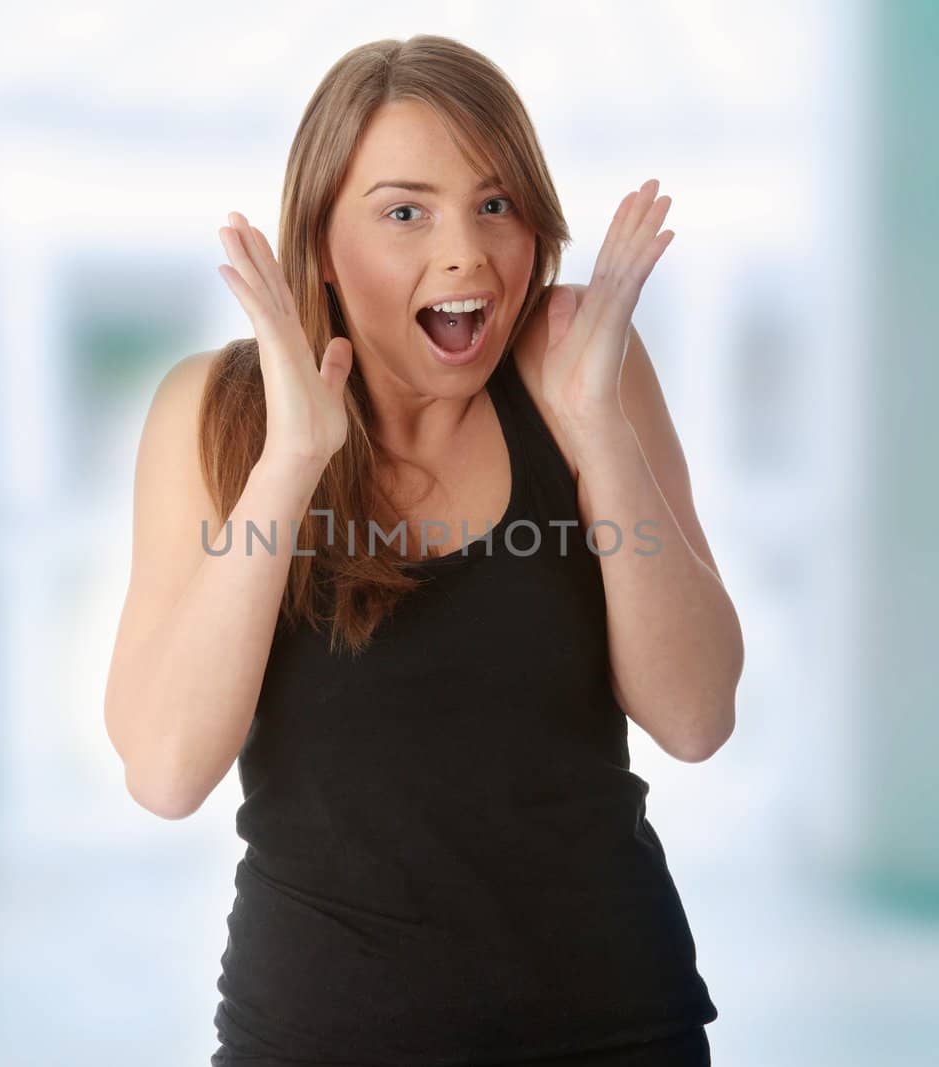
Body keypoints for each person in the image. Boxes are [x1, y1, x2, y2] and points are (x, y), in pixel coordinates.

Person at [103, 34, 744, 1067]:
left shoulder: (591, 383)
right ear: (320, 242)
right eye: (406, 211)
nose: (468, 252)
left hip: (617, 1027)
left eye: (496, 204)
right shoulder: (212, 414)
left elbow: (697, 714)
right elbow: (167, 770)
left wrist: (595, 431)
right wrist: (290, 461)